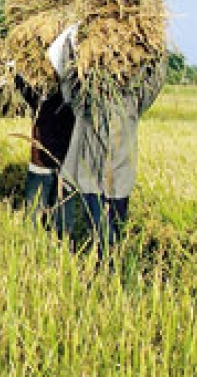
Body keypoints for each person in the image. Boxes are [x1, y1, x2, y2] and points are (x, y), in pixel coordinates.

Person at [51, 25, 166, 250]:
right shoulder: (88, 97)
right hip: (99, 180)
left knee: (110, 234)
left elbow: (66, 79)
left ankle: (106, 267)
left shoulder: (126, 99)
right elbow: (67, 79)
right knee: (106, 235)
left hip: (115, 180)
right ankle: (105, 268)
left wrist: (158, 49)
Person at [16, 75, 76, 237]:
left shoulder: (75, 87)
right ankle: (34, 246)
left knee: (62, 220)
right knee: (34, 216)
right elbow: (23, 84)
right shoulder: (39, 88)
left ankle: (61, 247)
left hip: (65, 163)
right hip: (41, 162)